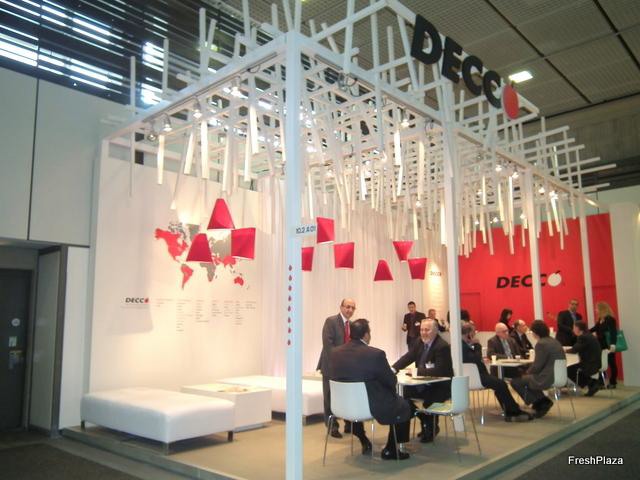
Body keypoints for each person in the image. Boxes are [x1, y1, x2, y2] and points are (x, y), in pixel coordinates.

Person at [330, 319, 412, 460]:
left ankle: (364, 440)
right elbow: (391, 381)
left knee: (387, 401)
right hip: (370, 405)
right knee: (404, 405)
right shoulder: (375, 354)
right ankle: (391, 449)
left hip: (343, 407)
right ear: (366, 335)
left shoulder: (335, 353)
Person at [392, 319, 453, 443]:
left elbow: (440, 370)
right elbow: (408, 357)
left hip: (440, 386)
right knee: (401, 397)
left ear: (435, 331)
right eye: (421, 330)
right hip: (422, 384)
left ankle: (430, 428)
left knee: (428, 402)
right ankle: (424, 418)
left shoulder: (442, 346)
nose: (423, 333)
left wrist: (416, 372)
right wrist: (393, 369)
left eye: (427, 330)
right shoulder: (419, 342)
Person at [461, 323, 532, 422]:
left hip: (476, 375)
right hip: (477, 377)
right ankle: (512, 410)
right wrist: (477, 345)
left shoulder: (463, 345)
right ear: (469, 334)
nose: (475, 334)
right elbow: (476, 359)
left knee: (500, 384)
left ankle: (511, 409)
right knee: (501, 384)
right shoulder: (463, 346)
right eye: (473, 332)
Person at [317, 298, 356, 438]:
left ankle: (348, 423)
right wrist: (340, 362)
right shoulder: (331, 321)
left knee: (346, 395)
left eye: (352, 308)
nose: (350, 310)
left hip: (346, 368)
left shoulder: (353, 325)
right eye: (347, 307)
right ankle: (332, 426)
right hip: (331, 366)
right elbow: (328, 345)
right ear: (341, 307)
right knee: (330, 397)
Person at [511, 320, 566, 418]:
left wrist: (526, 372)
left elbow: (537, 366)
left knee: (515, 381)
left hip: (547, 377)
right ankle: (542, 401)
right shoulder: (554, 341)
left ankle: (540, 403)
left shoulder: (541, 344)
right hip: (558, 375)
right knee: (528, 379)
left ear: (535, 332)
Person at [567, 320, 601, 396]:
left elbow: (575, 349)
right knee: (574, 368)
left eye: (574, 328)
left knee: (569, 370)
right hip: (595, 362)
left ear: (578, 328)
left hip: (590, 363)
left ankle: (592, 383)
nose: (573, 330)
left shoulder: (583, 337)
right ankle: (592, 384)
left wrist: (564, 351)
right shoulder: (589, 335)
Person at [591, 301, 618, 389]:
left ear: (602, 309)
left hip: (608, 345)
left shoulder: (610, 319)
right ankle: (601, 383)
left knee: (611, 363)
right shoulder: (600, 319)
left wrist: (613, 344)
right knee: (601, 364)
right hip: (600, 345)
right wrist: (584, 331)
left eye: (597, 308)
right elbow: (595, 328)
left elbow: (613, 333)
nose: (595, 310)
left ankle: (613, 382)